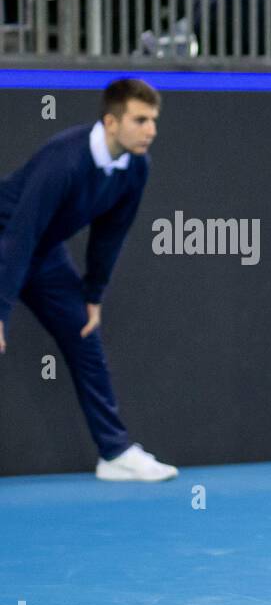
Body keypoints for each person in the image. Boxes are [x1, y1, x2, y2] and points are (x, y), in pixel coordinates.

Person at [0, 78, 177, 482]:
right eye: (140, 120)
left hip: (43, 255)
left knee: (84, 335)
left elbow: (110, 234)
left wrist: (93, 294)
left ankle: (114, 453)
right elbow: (20, 233)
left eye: (153, 120)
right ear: (111, 122)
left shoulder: (135, 166)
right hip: (9, 240)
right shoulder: (65, 159)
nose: (151, 130)